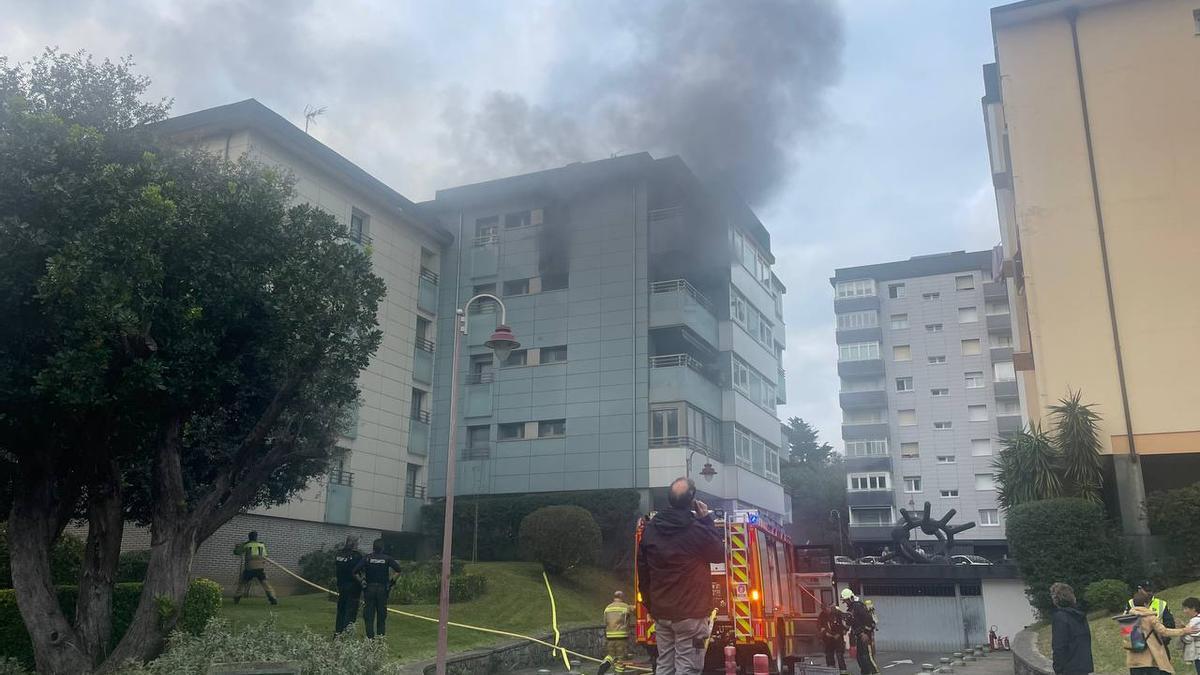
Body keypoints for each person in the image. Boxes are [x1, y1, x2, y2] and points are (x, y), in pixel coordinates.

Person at [637, 477, 725, 675]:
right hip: (691, 613)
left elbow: (643, 571)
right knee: (688, 667)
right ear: (692, 499)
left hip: (662, 612)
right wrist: (706, 520)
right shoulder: (696, 529)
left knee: (665, 665)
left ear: (669, 499)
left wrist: (652, 605)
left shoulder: (651, 530)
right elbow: (719, 554)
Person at [1126, 589, 1195, 675]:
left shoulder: (1127, 619)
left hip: (1134, 657)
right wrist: (1184, 631)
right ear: (1145, 604)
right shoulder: (1150, 617)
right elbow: (1164, 631)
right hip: (1150, 655)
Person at [353, 538, 401, 639]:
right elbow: (398, 570)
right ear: (382, 548)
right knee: (381, 615)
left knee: (369, 616)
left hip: (369, 588)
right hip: (382, 589)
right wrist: (391, 583)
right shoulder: (387, 558)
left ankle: (370, 639)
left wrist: (362, 582)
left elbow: (355, 571)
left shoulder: (367, 558)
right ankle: (380, 639)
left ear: (373, 548)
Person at [1049, 583, 1093, 675]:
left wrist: (1058, 669)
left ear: (1056, 599)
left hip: (1068, 669)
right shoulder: (1079, 616)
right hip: (1083, 667)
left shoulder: (1060, 617)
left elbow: (1059, 647)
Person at [1129, 581, 1177, 658]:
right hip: (1139, 645)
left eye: (1151, 590)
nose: (1150, 593)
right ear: (1139, 589)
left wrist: (1165, 639)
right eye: (1147, 591)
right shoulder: (1131, 603)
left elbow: (1170, 624)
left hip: (1159, 644)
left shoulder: (1162, 603)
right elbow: (1126, 625)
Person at [232, 531, 277, 605]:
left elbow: (237, 552)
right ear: (256, 537)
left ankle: (237, 598)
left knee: (243, 583)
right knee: (265, 584)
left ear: (249, 537)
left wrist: (237, 547)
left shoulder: (247, 545)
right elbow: (265, 556)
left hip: (249, 568)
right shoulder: (261, 545)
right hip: (260, 568)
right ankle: (272, 598)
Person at [842, 588, 878, 675]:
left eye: (846, 600)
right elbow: (848, 625)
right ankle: (865, 673)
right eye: (844, 601)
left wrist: (865, 633)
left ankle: (875, 672)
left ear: (851, 598)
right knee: (860, 658)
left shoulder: (858, 606)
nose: (846, 602)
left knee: (867, 657)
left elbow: (869, 620)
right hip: (858, 636)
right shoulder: (850, 610)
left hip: (864, 636)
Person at [333, 535, 364, 636]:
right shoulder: (356, 556)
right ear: (354, 543)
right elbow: (359, 570)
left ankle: (338, 633)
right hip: (353, 587)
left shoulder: (339, 554)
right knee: (350, 612)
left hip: (341, 585)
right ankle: (347, 634)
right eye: (357, 542)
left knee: (341, 610)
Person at [597, 591, 633, 675]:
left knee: (611, 655)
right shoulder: (625, 607)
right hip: (621, 636)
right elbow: (634, 611)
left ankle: (603, 666)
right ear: (622, 597)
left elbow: (605, 621)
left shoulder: (607, 608)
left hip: (610, 636)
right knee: (621, 659)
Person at [818, 603, 849, 673]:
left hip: (838, 638)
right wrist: (825, 633)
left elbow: (844, 623)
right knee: (829, 655)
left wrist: (841, 632)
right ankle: (831, 671)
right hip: (828, 639)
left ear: (829, 607)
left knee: (839, 655)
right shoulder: (822, 615)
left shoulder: (837, 613)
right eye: (824, 610)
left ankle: (843, 671)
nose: (826, 611)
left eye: (827, 609)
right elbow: (819, 626)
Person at [1180, 597, 1200, 675]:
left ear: (1194, 608)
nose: (1184, 611)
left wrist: (1183, 631)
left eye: (1186, 608)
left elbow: (1188, 639)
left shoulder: (1194, 621)